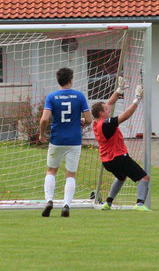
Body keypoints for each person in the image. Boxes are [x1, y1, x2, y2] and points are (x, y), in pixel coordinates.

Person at [91, 77, 150, 211]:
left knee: (121, 177)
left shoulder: (97, 123)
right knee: (144, 178)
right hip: (118, 157)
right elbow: (126, 115)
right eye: (106, 109)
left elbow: (109, 104)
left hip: (107, 161)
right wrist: (137, 98)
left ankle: (108, 203)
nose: (109, 109)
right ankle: (140, 204)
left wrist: (119, 90)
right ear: (101, 113)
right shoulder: (107, 123)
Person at [39, 67, 92, 217]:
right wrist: (82, 122)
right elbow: (89, 120)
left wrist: (42, 134)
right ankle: (66, 205)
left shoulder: (51, 97)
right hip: (74, 140)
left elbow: (44, 119)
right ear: (71, 80)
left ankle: (49, 200)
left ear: (58, 81)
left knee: (51, 171)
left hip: (57, 139)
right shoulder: (79, 96)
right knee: (70, 174)